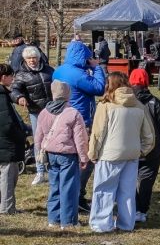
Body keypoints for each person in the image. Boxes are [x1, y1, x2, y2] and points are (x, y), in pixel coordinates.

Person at [88, 72, 155, 233]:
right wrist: (141, 151)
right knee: (127, 191)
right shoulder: (139, 105)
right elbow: (149, 135)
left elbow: (98, 133)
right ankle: (127, 223)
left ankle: (101, 224)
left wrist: (93, 153)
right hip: (131, 155)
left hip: (109, 155)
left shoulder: (105, 105)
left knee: (104, 190)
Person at [53, 40, 106, 212]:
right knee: (86, 159)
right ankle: (77, 195)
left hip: (62, 118)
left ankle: (65, 194)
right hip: (81, 120)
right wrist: (97, 68)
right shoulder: (78, 75)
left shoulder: (59, 70)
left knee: (69, 158)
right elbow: (99, 88)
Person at [35, 81, 89, 230]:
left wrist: (39, 151)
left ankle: (53, 219)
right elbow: (80, 139)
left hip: (50, 154)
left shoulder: (43, 112)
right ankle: (68, 221)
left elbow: (38, 136)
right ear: (68, 94)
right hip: (68, 155)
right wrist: (83, 157)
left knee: (55, 186)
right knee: (69, 187)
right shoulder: (73, 113)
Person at [128, 69, 160, 224]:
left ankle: (133, 208)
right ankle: (141, 210)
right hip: (151, 148)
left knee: (129, 180)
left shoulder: (127, 102)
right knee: (146, 181)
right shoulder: (154, 102)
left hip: (131, 147)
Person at [12, 45, 55, 185]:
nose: (32, 60)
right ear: (25, 59)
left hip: (52, 110)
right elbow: (14, 90)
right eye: (29, 58)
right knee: (38, 141)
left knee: (54, 138)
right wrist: (19, 97)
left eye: (34, 58)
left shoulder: (49, 70)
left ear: (38, 58)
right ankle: (40, 171)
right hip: (35, 111)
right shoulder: (21, 74)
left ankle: (53, 168)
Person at [1, 63, 30, 215]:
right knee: (8, 177)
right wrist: (21, 135)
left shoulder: (4, 94)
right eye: (11, 76)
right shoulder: (2, 97)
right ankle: (7, 208)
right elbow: (7, 124)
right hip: (6, 144)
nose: (13, 79)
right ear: (3, 77)